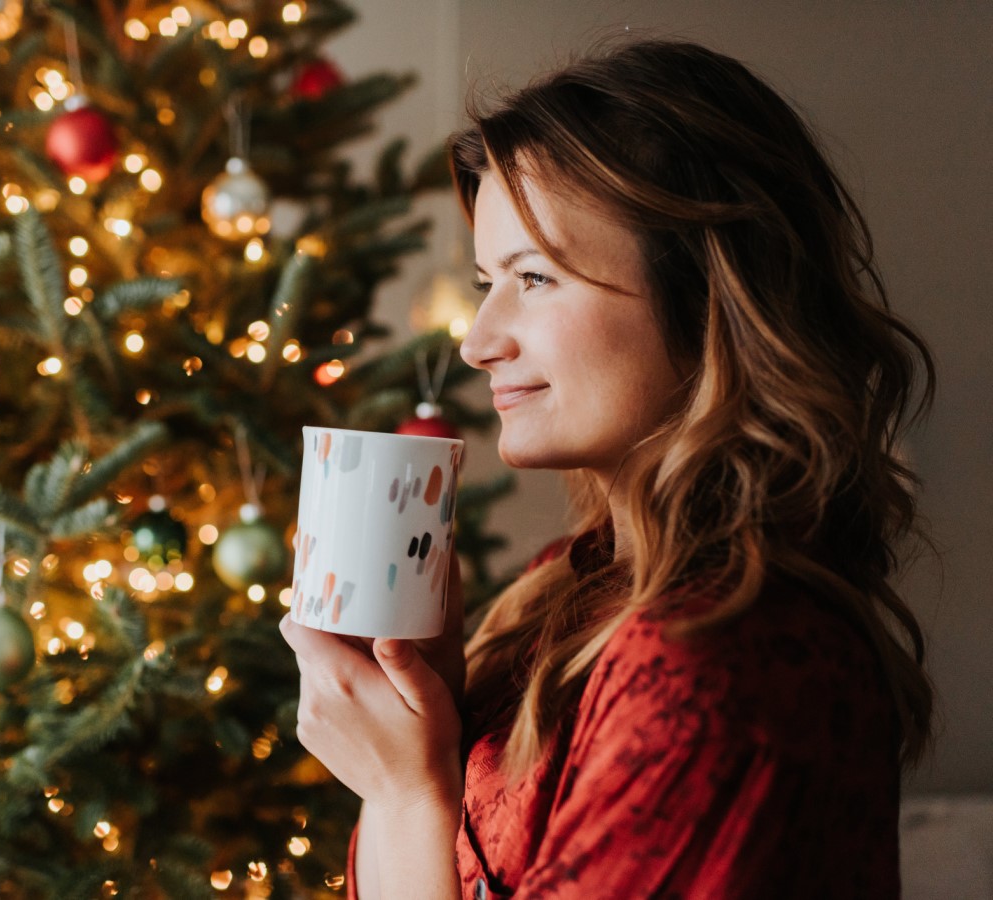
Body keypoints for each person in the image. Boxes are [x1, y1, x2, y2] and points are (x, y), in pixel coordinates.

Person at [280, 37, 934, 899]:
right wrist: (430, 717)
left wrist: (404, 794)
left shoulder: (722, 663)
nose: (479, 343)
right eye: (486, 283)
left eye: (536, 278)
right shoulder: (563, 596)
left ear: (707, 296)